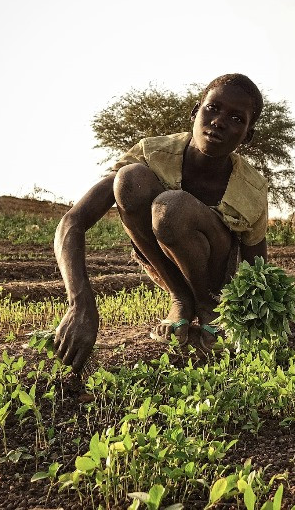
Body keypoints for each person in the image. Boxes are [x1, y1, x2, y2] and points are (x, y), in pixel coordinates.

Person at [53, 73, 269, 373]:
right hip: (168, 268)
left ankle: (209, 308)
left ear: (247, 135)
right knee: (130, 179)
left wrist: (249, 324)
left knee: (173, 207)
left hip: (218, 277)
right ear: (195, 112)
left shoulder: (252, 190)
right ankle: (180, 298)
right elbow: (72, 222)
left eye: (236, 118)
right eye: (212, 109)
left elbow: (258, 270)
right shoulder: (153, 152)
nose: (219, 122)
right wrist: (80, 303)